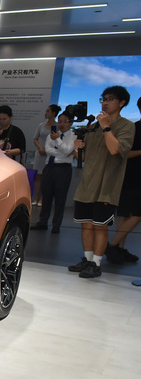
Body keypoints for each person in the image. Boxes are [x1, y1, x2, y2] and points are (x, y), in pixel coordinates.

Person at [68, 86, 134, 279]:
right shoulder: (93, 127)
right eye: (103, 99)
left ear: (122, 103)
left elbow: (115, 150)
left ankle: (96, 264)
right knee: (86, 224)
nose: (105, 103)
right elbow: (83, 158)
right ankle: (87, 260)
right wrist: (77, 149)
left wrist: (106, 126)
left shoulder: (126, 126)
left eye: (110, 99)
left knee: (100, 226)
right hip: (87, 184)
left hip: (107, 186)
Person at [105, 97, 141, 265]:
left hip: (130, 176)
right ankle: (113, 246)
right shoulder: (134, 128)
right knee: (135, 214)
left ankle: (118, 248)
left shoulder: (133, 126)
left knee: (127, 215)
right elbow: (123, 152)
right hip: (133, 176)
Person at [30, 111, 76, 234]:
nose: (61, 124)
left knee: (60, 198)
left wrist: (58, 141)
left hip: (63, 169)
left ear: (71, 123)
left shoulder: (74, 136)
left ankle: (56, 225)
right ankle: (42, 222)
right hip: (49, 167)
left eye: (65, 122)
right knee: (46, 196)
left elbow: (68, 150)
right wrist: (63, 152)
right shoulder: (51, 135)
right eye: (60, 121)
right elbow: (48, 150)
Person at [31, 104, 61, 205]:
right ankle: (36, 198)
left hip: (50, 154)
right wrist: (40, 148)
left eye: (48, 111)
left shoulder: (57, 126)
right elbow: (35, 139)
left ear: (53, 113)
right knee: (38, 177)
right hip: (40, 153)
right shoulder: (41, 125)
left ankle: (43, 199)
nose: (46, 113)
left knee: (46, 177)